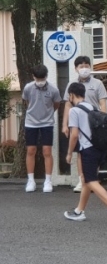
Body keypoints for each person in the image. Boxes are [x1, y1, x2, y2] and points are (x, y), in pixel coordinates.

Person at [63, 82, 107, 226]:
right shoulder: (92, 107)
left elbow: (74, 135)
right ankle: (79, 211)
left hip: (87, 150)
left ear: (71, 95)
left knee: (91, 181)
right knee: (86, 179)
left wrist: (69, 153)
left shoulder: (74, 111)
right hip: (98, 148)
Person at [62, 56, 107, 193]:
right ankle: (81, 180)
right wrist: (65, 124)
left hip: (94, 124)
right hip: (77, 123)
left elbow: (103, 103)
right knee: (80, 152)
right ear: (76, 68)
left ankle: (93, 179)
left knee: (94, 151)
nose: (84, 68)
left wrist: (103, 121)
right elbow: (67, 105)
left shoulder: (98, 83)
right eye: (81, 66)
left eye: (86, 65)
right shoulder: (72, 85)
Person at [22, 65, 62, 193]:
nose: (40, 81)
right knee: (31, 150)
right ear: (33, 77)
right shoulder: (28, 88)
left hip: (47, 123)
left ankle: (48, 181)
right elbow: (27, 102)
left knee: (47, 151)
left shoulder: (53, 89)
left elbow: (56, 104)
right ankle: (31, 180)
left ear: (46, 76)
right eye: (37, 79)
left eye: (42, 78)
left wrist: (47, 113)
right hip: (31, 123)